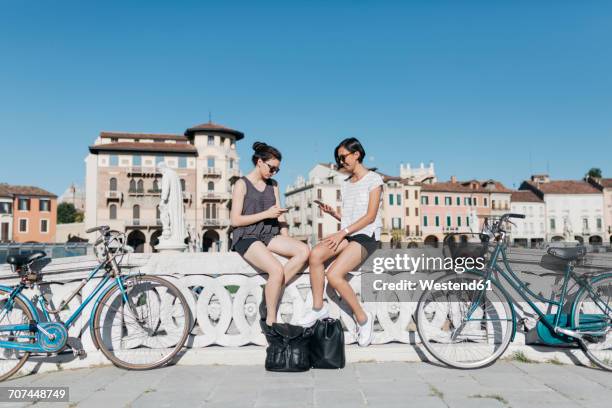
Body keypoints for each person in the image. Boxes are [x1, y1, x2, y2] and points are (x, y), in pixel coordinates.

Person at [298, 138, 383, 347]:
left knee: (334, 274)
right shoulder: (345, 184)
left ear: (357, 154)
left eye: (343, 156)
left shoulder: (374, 179)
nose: (341, 161)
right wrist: (336, 215)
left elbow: (370, 216)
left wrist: (341, 232)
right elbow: (352, 217)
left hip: (368, 236)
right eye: (338, 158)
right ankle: (319, 308)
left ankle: (363, 319)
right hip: (350, 234)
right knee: (315, 254)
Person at [230, 142, 310, 326]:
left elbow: (279, 215)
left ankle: (270, 292)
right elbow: (235, 220)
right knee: (276, 270)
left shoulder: (273, 184)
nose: (274, 172)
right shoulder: (241, 184)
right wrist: (267, 214)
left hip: (269, 234)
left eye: (277, 170)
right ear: (259, 161)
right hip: (246, 236)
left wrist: (286, 237)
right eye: (271, 168)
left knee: (304, 251)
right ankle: (270, 320)